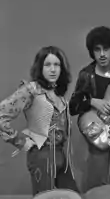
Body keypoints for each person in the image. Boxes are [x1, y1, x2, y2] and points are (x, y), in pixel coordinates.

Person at [0, 46, 79, 196]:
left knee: (72, 195)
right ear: (40, 67)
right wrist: (21, 141)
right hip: (41, 155)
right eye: (47, 65)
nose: (53, 69)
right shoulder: (31, 90)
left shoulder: (59, 95)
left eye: (57, 65)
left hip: (61, 154)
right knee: (45, 196)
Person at [69, 26, 110, 192]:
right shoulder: (86, 74)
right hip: (98, 132)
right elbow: (73, 106)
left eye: (106, 49)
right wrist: (93, 101)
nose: (102, 54)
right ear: (92, 52)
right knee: (95, 184)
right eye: (97, 49)